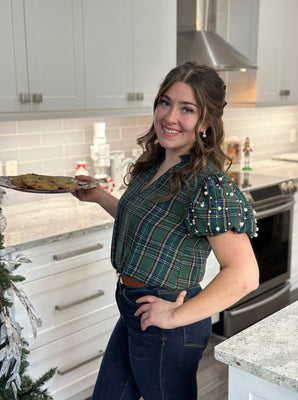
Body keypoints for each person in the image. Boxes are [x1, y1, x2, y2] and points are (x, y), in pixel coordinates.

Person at [74, 61, 259, 400]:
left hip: (167, 323)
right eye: (165, 102)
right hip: (135, 310)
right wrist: (100, 197)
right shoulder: (156, 165)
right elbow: (150, 226)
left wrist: (176, 315)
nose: (170, 116)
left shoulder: (208, 185)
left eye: (186, 109)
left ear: (205, 123)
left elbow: (245, 275)